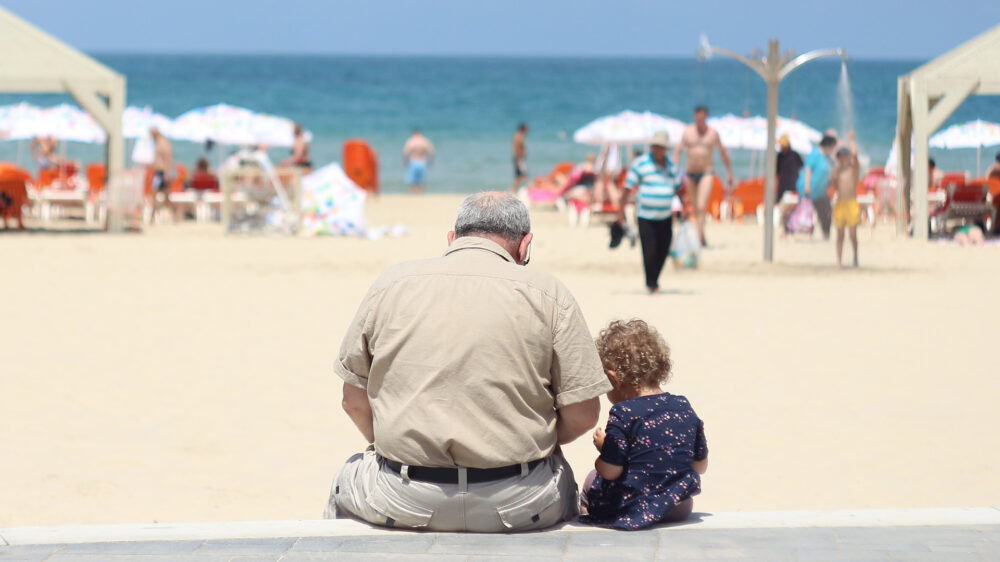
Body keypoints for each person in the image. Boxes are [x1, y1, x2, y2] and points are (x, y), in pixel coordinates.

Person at [325, 191, 612, 532]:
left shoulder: (393, 283)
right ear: (525, 246)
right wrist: (531, 440)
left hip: (404, 497)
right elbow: (583, 414)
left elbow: (352, 401)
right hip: (520, 501)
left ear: (452, 239)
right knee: (564, 479)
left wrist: (397, 445)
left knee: (345, 479)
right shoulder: (549, 293)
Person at [580, 319, 708, 530]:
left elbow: (610, 471)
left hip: (636, 504)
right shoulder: (682, 406)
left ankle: (590, 514)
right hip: (680, 506)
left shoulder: (623, 413)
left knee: (592, 479)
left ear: (614, 379)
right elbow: (699, 466)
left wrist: (605, 450)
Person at [622, 130, 680, 294]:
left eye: (661, 146)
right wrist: (620, 214)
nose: (657, 149)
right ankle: (652, 283)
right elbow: (627, 188)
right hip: (645, 215)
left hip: (665, 216)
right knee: (649, 251)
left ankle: (654, 280)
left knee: (663, 250)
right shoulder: (640, 164)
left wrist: (687, 210)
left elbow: (679, 189)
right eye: (655, 146)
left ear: (665, 149)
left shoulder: (671, 167)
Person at [672, 105, 734, 247]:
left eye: (702, 116)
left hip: (707, 173)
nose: (700, 119)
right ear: (695, 116)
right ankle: (702, 235)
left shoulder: (712, 133)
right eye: (697, 116)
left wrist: (729, 172)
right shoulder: (688, 132)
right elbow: (677, 152)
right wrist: (674, 170)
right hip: (690, 174)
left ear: (706, 116)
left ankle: (698, 239)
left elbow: (723, 152)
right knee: (694, 208)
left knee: (701, 206)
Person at [798, 134, 838, 239]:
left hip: (820, 190)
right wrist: (807, 186)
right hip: (811, 189)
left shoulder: (827, 157)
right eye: (833, 146)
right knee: (807, 210)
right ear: (828, 145)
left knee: (826, 211)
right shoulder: (815, 154)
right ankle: (788, 230)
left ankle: (826, 234)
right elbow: (808, 169)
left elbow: (833, 171)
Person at [831, 132, 861, 268]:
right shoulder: (838, 172)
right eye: (840, 158)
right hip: (840, 203)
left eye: (844, 157)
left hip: (851, 203)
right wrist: (834, 175)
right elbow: (835, 187)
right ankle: (839, 260)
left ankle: (855, 256)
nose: (842, 160)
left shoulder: (853, 170)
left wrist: (852, 140)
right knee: (840, 235)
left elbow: (855, 156)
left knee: (853, 234)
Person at [776, 134, 803, 234]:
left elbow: (801, 169)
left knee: (792, 208)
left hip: (793, 186)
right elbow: (777, 172)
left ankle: (791, 227)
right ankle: (785, 228)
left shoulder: (794, 155)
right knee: (783, 209)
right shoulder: (780, 156)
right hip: (783, 186)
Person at [149, 127, 175, 222]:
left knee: (155, 194)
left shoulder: (163, 143)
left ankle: (153, 217)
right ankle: (174, 216)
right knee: (164, 196)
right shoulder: (159, 142)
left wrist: (167, 173)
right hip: (159, 172)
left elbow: (168, 158)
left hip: (161, 173)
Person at [402, 129, 435, 194]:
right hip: (422, 162)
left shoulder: (411, 141)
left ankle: (412, 194)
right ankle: (421, 194)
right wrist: (431, 162)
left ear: (414, 134)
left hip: (413, 161)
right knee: (421, 181)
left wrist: (405, 162)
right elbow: (432, 152)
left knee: (412, 181)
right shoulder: (424, 141)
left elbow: (405, 152)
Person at [511, 123, 529, 193]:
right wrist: (518, 159)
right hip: (519, 158)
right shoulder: (518, 137)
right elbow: (516, 149)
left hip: (519, 158)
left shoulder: (519, 136)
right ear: (523, 129)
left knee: (520, 176)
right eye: (527, 129)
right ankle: (513, 190)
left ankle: (514, 190)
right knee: (522, 176)